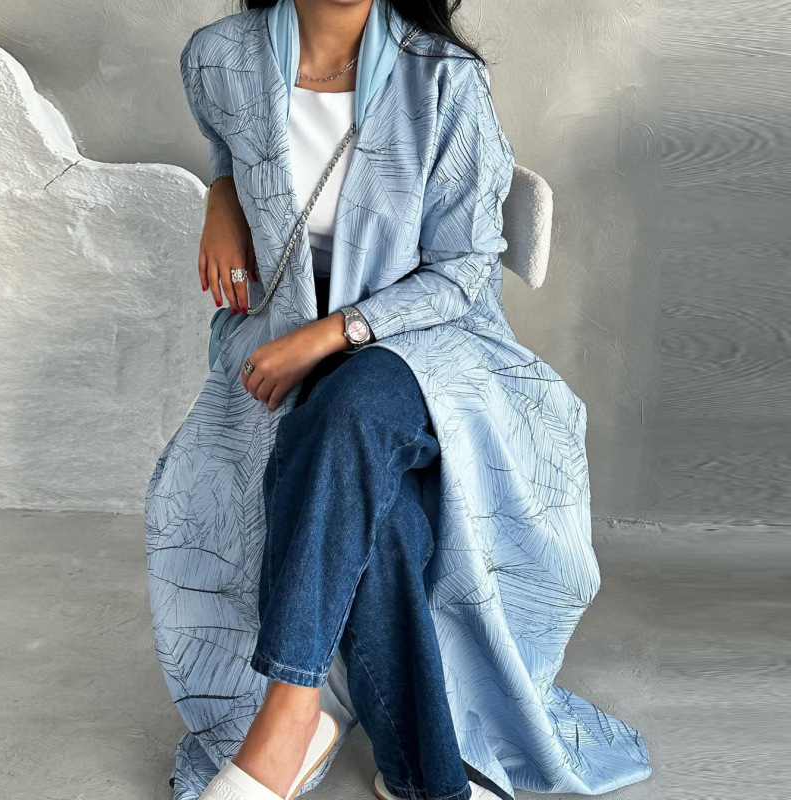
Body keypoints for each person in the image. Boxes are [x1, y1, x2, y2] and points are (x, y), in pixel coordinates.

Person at [145, 1, 653, 799]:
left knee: (348, 410)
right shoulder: (220, 57)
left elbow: (463, 272)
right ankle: (424, 776)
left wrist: (330, 336)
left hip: (430, 343)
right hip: (285, 331)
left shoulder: (443, 80)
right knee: (370, 495)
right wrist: (221, 196)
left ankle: (289, 714)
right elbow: (228, 140)